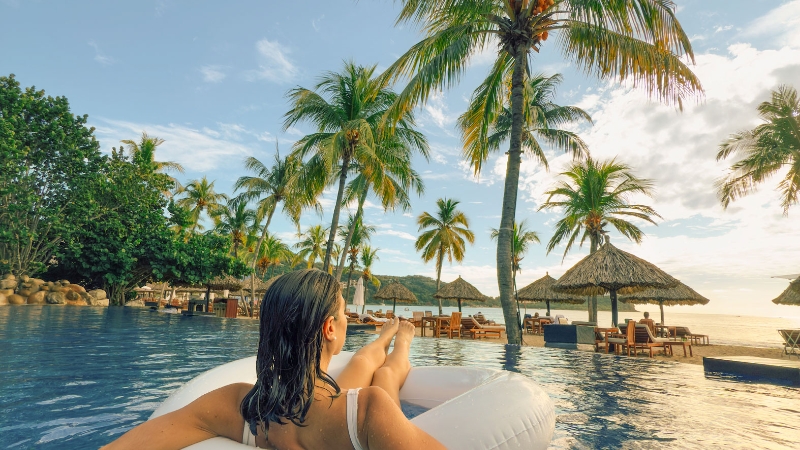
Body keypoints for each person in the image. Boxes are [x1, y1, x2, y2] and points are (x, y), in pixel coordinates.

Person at [103, 269, 444, 449]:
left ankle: (387, 335)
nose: (345, 319)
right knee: (384, 376)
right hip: (344, 417)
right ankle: (400, 341)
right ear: (330, 329)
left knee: (362, 364)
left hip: (298, 401)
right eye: (343, 314)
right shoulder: (370, 412)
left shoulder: (237, 404)